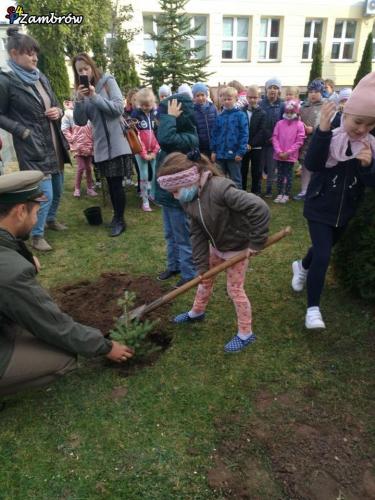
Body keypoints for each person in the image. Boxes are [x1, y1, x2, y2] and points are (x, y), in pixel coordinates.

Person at [0, 171, 134, 398]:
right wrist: (106, 347)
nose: (36, 219)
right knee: (63, 356)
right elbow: (54, 325)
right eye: (36, 212)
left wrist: (23, 257)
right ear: (20, 211)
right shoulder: (10, 274)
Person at [157, 151, 270, 352]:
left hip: (237, 249)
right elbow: (197, 233)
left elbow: (259, 208)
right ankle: (197, 312)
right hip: (216, 247)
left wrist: (256, 243)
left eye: (175, 190)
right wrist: (201, 265)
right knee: (204, 280)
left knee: (234, 290)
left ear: (189, 179)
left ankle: (246, 334)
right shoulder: (189, 198)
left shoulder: (221, 189)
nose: (175, 196)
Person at [291, 73, 375, 329]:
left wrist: (367, 167)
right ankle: (312, 309)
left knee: (319, 251)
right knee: (324, 254)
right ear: (346, 113)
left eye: (369, 125)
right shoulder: (331, 136)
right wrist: (323, 131)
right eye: (358, 121)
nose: (361, 129)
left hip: (345, 212)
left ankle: (301, 266)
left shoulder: (369, 145)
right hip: (319, 207)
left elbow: (371, 184)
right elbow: (313, 164)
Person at [0, 27, 70, 252]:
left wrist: (57, 111)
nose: (35, 57)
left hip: (53, 141)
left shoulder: (41, 77)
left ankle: (50, 220)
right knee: (45, 193)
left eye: (35, 52)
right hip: (31, 145)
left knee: (59, 189)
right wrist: (22, 131)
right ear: (14, 54)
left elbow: (55, 102)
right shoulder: (6, 81)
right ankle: (37, 236)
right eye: (29, 53)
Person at [73, 53, 132, 237]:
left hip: (117, 142)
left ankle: (120, 220)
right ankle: (116, 217)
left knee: (116, 184)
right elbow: (81, 121)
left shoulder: (108, 81)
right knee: (109, 183)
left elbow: (117, 109)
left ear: (92, 66)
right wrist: (80, 100)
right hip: (100, 145)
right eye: (79, 70)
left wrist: (95, 96)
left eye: (86, 68)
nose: (84, 72)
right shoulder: (80, 92)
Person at [154, 94, 197, 287]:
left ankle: (189, 274)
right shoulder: (175, 134)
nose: (163, 120)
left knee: (183, 237)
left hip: (179, 197)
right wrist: (169, 118)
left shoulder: (188, 137)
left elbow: (165, 138)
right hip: (167, 196)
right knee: (170, 234)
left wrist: (169, 118)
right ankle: (174, 266)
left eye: (168, 116)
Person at [210, 86, 249, 189]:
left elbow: (244, 134)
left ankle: (238, 200)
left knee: (236, 179)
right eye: (224, 99)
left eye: (229, 99)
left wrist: (241, 152)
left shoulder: (241, 115)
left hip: (234, 155)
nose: (227, 101)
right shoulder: (219, 116)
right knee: (220, 178)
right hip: (220, 154)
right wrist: (214, 151)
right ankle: (222, 199)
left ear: (235, 99)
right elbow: (215, 134)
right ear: (221, 100)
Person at [294, 79, 325, 201]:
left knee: (316, 167)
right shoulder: (303, 107)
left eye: (316, 91)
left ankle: (316, 189)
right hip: (304, 142)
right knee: (305, 166)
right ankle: (304, 190)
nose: (313, 94)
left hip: (318, 142)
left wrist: (315, 130)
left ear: (321, 92)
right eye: (310, 91)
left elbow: (330, 124)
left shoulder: (325, 107)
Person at [61, 99, 97, 198]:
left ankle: (90, 188)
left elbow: (94, 127)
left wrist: (93, 139)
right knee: (81, 167)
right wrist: (72, 139)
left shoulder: (89, 113)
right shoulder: (69, 115)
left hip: (89, 145)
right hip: (78, 146)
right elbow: (64, 128)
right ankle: (77, 188)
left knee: (89, 168)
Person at [131, 88, 160, 212]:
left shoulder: (155, 114)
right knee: (144, 175)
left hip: (153, 150)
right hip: (140, 150)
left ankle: (152, 195)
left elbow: (158, 133)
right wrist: (143, 153)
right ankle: (145, 200)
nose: (145, 107)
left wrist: (154, 151)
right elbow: (134, 135)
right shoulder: (135, 115)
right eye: (142, 105)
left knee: (154, 173)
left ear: (152, 102)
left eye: (147, 105)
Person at [272, 100, 305, 203]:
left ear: (296, 112)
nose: (289, 114)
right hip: (279, 155)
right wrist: (279, 151)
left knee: (288, 175)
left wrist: (288, 152)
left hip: (290, 156)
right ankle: (279, 193)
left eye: (292, 112)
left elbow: (299, 141)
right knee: (280, 175)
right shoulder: (279, 123)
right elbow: (275, 137)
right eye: (287, 112)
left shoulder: (299, 125)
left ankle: (286, 194)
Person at [259, 78, 284, 197]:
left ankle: (269, 189)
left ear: (279, 90)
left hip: (275, 142)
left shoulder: (282, 105)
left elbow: (284, 123)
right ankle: (257, 188)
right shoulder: (260, 104)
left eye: (275, 88)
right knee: (259, 165)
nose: (273, 90)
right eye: (270, 87)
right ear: (266, 89)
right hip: (262, 140)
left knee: (271, 166)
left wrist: (275, 137)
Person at [241, 85, 267, 194]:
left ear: (259, 98)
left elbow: (262, 131)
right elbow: (240, 129)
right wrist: (244, 143)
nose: (252, 100)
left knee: (256, 171)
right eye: (250, 97)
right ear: (246, 97)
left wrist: (251, 144)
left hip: (257, 147)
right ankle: (242, 191)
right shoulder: (241, 112)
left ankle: (255, 192)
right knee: (243, 170)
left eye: (255, 97)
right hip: (243, 146)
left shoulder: (262, 113)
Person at [191, 82, 217, 158]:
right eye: (197, 95)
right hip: (201, 147)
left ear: (206, 95)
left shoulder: (213, 108)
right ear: (194, 97)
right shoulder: (192, 111)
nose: (200, 98)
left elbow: (217, 127)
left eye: (202, 95)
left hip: (214, 145)